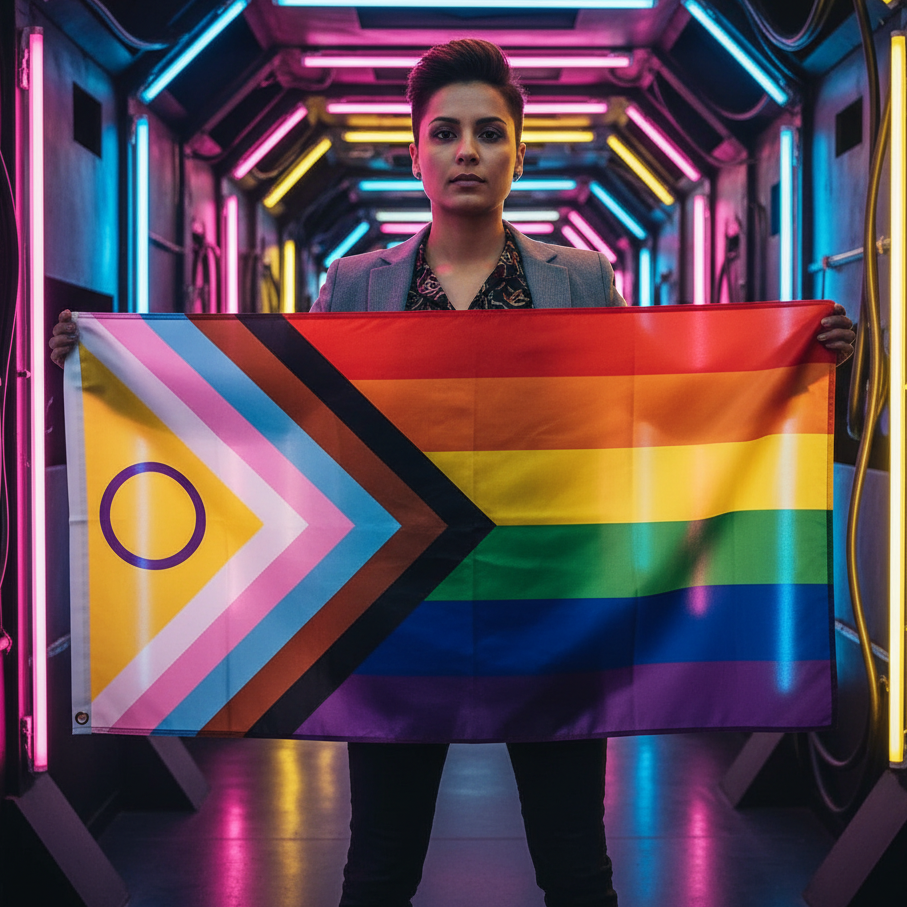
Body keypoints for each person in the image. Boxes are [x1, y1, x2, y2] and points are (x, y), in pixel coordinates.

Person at [50, 38, 855, 907]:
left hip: (552, 612)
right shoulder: (353, 284)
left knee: (577, 865)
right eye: (445, 133)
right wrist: (116, 367)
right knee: (379, 867)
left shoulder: (581, 276)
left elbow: (645, 418)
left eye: (487, 132)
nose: (466, 151)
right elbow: (293, 430)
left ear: (518, 150)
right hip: (397, 615)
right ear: (415, 152)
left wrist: (790, 365)